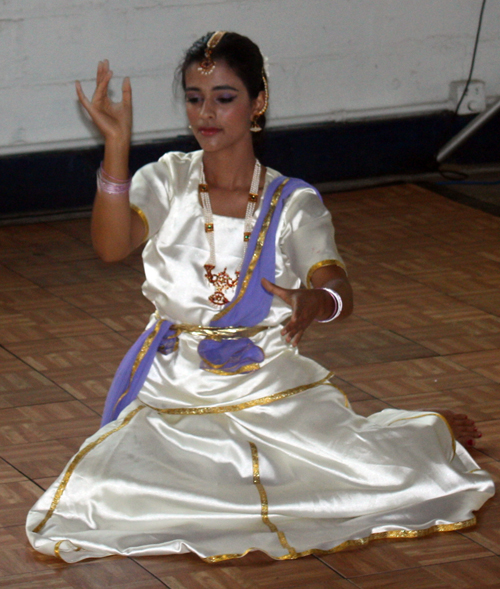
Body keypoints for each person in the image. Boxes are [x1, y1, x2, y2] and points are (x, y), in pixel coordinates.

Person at [26, 31, 494, 563]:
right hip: (176, 388)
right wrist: (115, 148)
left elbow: (338, 288)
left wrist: (317, 303)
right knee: (111, 497)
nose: (206, 113)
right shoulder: (169, 179)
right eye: (194, 97)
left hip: (270, 386)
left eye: (224, 98)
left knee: (366, 477)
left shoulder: (292, 204)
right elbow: (111, 248)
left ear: (258, 102)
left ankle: (421, 436)